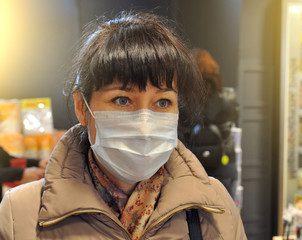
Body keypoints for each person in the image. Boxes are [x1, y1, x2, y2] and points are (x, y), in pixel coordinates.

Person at [0, 11, 246, 239]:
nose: (144, 125)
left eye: (162, 102)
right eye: (122, 100)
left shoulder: (215, 206)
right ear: (81, 107)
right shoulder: (22, 212)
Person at [189, 48, 239, 198]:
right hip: (224, 167)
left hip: (193, 171)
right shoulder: (228, 97)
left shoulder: (183, 100)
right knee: (226, 217)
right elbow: (234, 119)